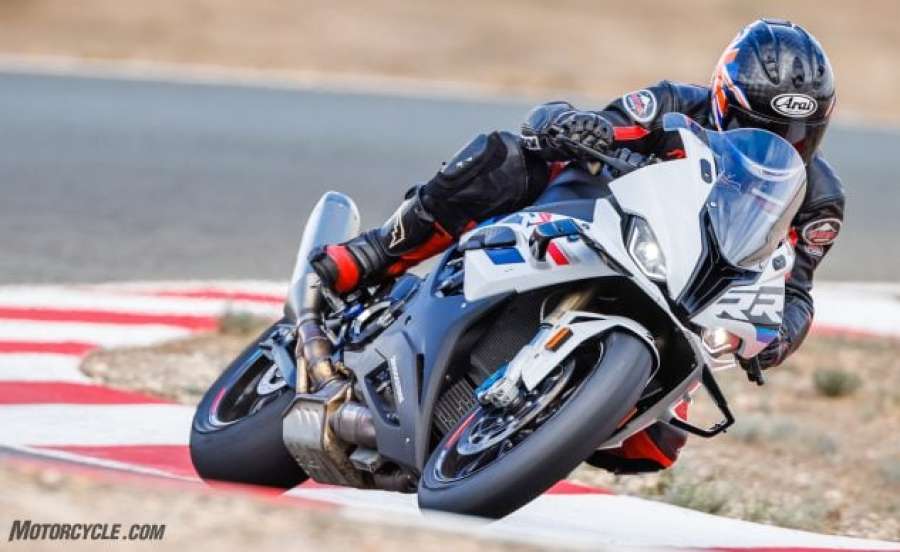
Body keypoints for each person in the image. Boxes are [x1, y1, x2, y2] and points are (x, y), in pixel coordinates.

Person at [306, 19, 845, 473]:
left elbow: (796, 290)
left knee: (654, 448)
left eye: (799, 134)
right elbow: (609, 125)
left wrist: (775, 338)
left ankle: (537, 423)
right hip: (607, 227)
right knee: (505, 158)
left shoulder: (818, 200)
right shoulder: (675, 104)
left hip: (690, 296)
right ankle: (378, 252)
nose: (780, 145)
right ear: (725, 101)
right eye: (760, 126)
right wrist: (578, 126)